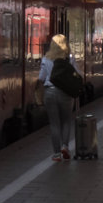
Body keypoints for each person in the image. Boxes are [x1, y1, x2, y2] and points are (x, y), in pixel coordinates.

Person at [38, 33, 80, 161]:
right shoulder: (70, 58)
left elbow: (41, 78)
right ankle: (65, 147)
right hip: (65, 93)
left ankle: (56, 154)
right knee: (66, 121)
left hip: (50, 92)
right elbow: (77, 73)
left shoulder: (46, 58)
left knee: (54, 124)